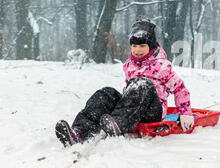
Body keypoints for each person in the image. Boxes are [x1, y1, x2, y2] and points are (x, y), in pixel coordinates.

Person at [55, 16, 194, 146]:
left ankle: (118, 123)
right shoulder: (129, 65)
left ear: (151, 46)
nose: (137, 50)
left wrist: (185, 113)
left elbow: (179, 89)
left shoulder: (162, 66)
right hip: (133, 109)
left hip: (152, 112)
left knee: (142, 84)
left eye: (142, 46)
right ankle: (79, 132)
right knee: (106, 93)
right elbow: (130, 92)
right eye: (134, 46)